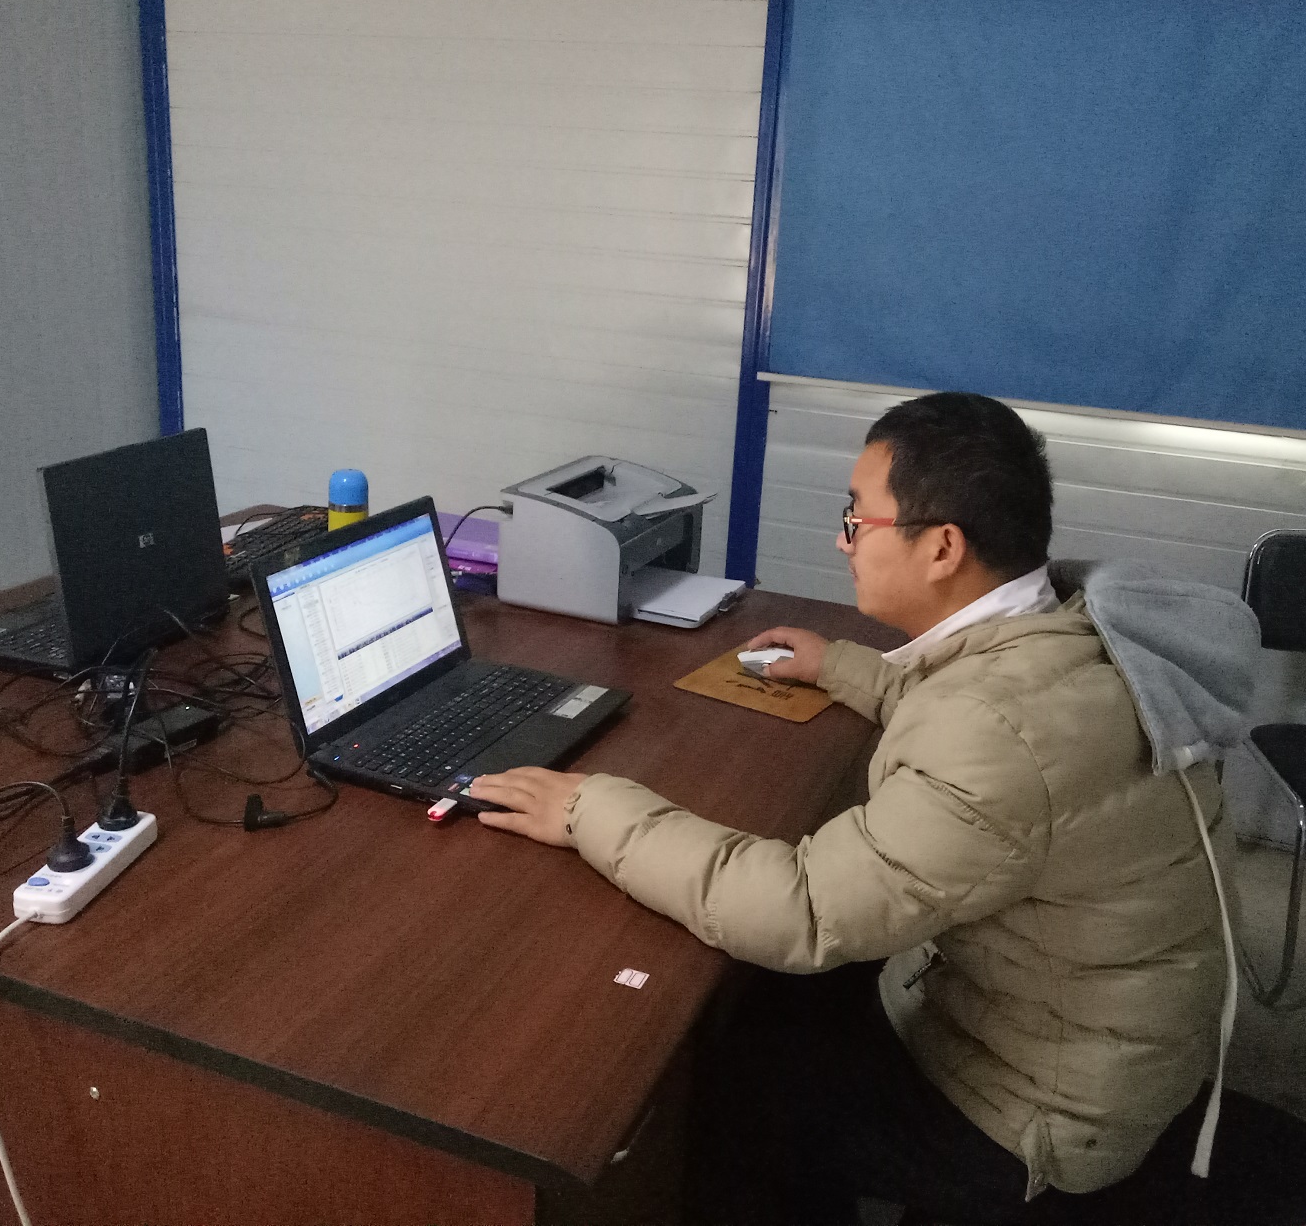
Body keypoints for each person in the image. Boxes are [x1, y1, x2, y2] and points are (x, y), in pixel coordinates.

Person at [470, 392, 1249, 1223]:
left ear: (943, 547)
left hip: (1041, 1114)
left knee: (730, 1083)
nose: (843, 541)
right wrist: (846, 668)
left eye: (857, 518)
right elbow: (995, 722)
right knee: (773, 997)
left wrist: (591, 807)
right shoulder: (1071, 629)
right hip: (1108, 1036)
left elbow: (803, 909)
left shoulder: (991, 732)